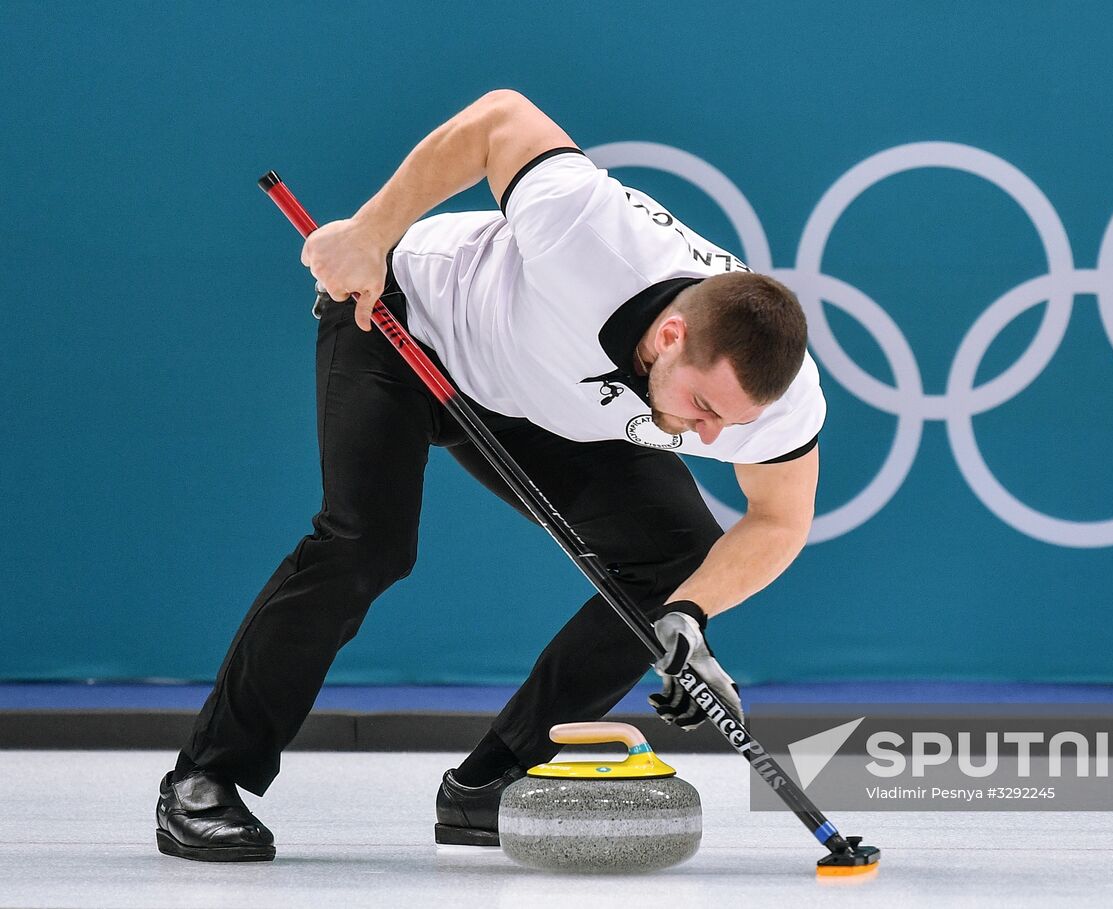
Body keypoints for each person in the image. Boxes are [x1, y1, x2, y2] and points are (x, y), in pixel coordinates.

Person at [155, 89, 825, 862]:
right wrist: (370, 234)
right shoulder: (591, 235)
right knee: (366, 542)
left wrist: (692, 614)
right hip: (406, 322)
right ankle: (205, 779)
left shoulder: (775, 394)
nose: (710, 435)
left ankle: (489, 784)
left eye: (728, 424)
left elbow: (780, 517)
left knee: (676, 564)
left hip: (538, 401)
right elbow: (499, 119)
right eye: (703, 406)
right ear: (670, 335)